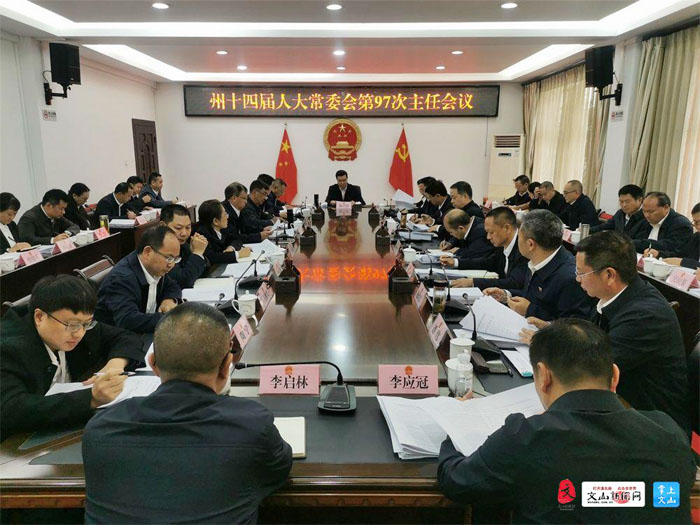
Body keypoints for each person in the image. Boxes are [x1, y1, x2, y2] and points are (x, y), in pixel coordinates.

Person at [438, 319, 695, 524]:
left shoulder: (526, 437)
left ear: (544, 376)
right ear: (614, 376)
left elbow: (456, 481)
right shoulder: (669, 432)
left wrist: (458, 419)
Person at [83, 302, 293, 523]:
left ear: (153, 364)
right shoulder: (252, 425)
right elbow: (278, 468)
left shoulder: (100, 430)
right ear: (226, 365)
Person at [571, 231, 690, 435]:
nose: (577, 279)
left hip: (655, 427)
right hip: (623, 406)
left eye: (581, 273)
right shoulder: (618, 294)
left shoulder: (645, 315)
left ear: (609, 275)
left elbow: (593, 367)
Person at [0, 275, 144, 440]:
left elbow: (126, 337)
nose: (79, 333)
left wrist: (115, 364)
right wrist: (91, 398)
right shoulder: (7, 348)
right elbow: (11, 410)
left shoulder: (76, 324)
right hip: (18, 443)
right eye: (72, 325)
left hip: (63, 429)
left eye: (86, 324)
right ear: (39, 317)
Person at [484, 210, 593, 321]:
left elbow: (574, 325)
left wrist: (530, 310)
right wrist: (506, 295)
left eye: (519, 237)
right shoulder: (536, 260)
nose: (517, 241)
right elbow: (533, 296)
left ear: (530, 244)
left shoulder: (570, 277)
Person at [94, 225, 181, 334]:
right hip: (117, 338)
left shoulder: (155, 267)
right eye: (169, 258)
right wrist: (170, 318)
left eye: (175, 259)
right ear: (147, 252)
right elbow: (128, 321)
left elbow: (172, 286)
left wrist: (169, 300)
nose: (172, 264)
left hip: (142, 333)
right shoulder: (123, 279)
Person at [443, 207, 528, 291]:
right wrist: (456, 262)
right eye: (487, 232)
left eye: (491, 232)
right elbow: (488, 262)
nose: (488, 237)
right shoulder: (501, 245)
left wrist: (473, 282)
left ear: (507, 228)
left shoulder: (524, 248)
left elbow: (514, 283)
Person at [160, 204, 208, 289]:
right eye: (178, 228)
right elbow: (184, 281)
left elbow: (205, 271)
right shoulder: (158, 249)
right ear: (162, 226)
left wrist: (195, 253)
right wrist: (197, 253)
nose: (184, 233)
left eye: (188, 227)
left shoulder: (183, 244)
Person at [636, 192, 694, 256]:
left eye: (651, 211)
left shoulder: (681, 224)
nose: (647, 215)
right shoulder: (644, 220)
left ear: (666, 208)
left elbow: (669, 247)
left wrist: (642, 244)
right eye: (644, 211)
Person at [646, 202, 700, 270]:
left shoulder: (681, 223)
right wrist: (658, 254)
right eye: (695, 222)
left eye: (699, 222)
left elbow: (681, 260)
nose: (697, 227)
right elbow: (680, 254)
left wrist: (683, 262)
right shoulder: (697, 237)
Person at [197, 199, 251, 265]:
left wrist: (231, 248)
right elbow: (212, 257)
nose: (227, 217)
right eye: (225, 214)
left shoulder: (222, 229)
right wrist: (238, 254)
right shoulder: (202, 235)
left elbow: (236, 238)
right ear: (216, 221)